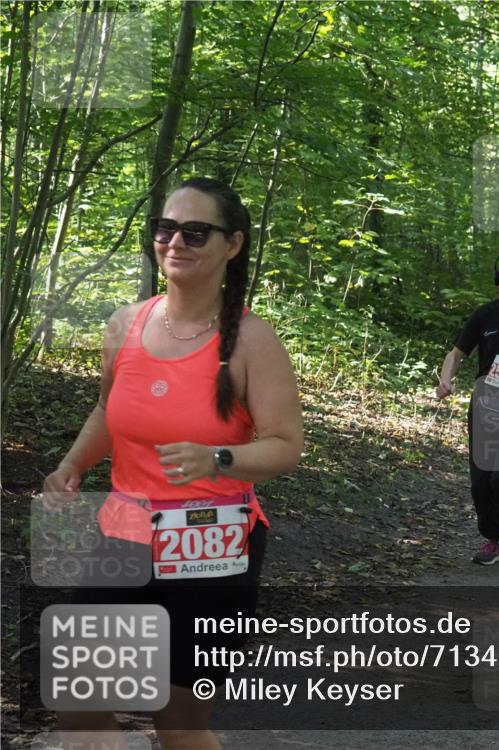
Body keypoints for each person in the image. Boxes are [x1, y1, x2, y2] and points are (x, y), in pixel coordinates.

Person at [42, 178, 304, 750]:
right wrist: (73, 465)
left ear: (232, 244)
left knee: (178, 721)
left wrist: (218, 458)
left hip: (212, 547)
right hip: (125, 535)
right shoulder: (125, 324)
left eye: (195, 231)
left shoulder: (253, 340)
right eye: (165, 228)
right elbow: (109, 409)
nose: (175, 241)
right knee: (80, 705)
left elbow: (286, 444)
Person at [436, 249, 499, 575]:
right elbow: (456, 353)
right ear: (498, 280)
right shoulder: (484, 315)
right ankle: (495, 540)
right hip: (484, 407)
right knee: (481, 482)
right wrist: (445, 379)